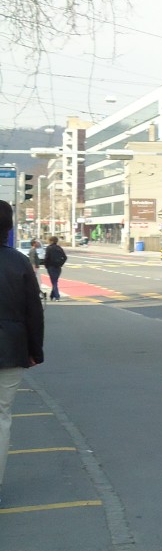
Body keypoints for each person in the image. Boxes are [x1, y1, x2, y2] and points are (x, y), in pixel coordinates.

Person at [0, 201, 46, 505]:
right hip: (11, 347)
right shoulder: (18, 263)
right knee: (2, 415)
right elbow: (34, 311)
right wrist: (34, 350)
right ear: (9, 227)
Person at [42, 236, 68, 301]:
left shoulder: (49, 248)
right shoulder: (59, 248)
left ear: (51, 241)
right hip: (58, 267)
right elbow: (65, 257)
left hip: (51, 267)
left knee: (54, 282)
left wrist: (46, 265)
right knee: (55, 281)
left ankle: (57, 296)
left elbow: (46, 257)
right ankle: (52, 295)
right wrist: (61, 264)